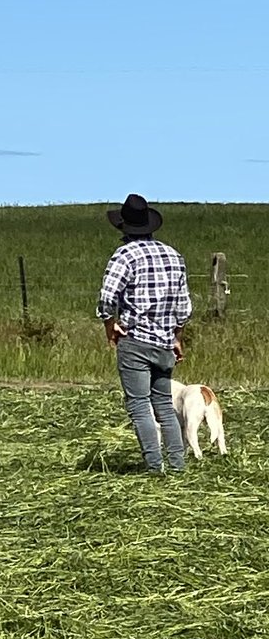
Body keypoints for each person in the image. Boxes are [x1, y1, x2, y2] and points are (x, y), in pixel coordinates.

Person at [96, 193, 193, 475]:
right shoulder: (174, 255)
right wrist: (177, 336)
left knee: (139, 405)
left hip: (135, 340)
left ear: (123, 227)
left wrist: (109, 325)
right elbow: (184, 306)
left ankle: (154, 466)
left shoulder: (124, 255)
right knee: (163, 403)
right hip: (164, 342)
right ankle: (177, 465)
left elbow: (107, 297)